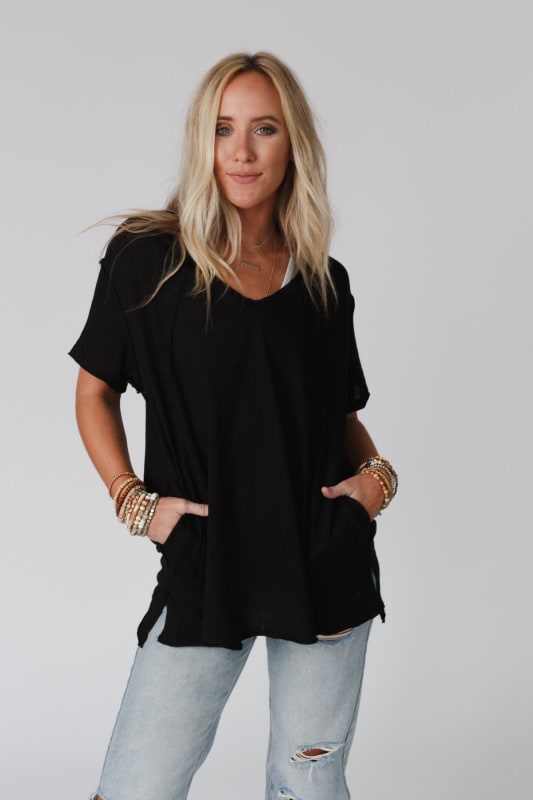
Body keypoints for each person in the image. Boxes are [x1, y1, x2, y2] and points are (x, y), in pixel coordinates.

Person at [70, 51, 397, 800]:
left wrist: (377, 481)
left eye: (263, 129)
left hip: (323, 563)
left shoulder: (323, 282)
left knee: (307, 785)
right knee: (137, 787)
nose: (242, 152)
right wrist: (133, 501)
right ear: (202, 141)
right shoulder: (147, 260)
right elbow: (94, 391)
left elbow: (338, 415)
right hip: (206, 563)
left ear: (293, 143)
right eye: (223, 129)